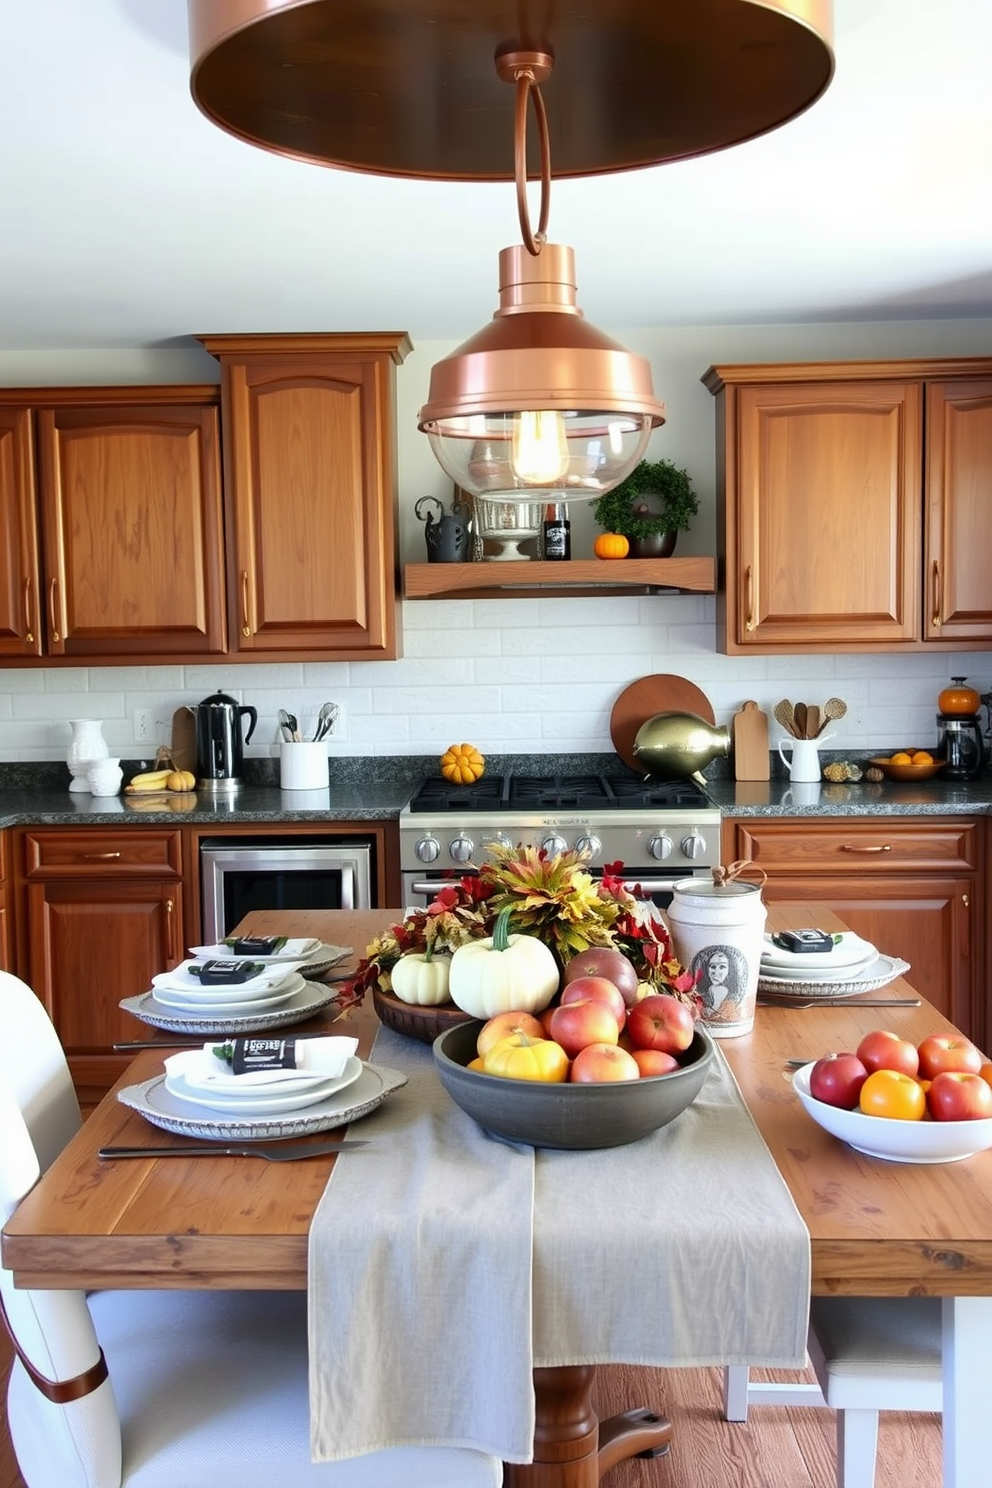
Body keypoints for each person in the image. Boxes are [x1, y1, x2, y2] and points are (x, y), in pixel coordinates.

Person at [692, 944, 747, 1022]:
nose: (716, 972)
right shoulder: (701, 995)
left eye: (722, 967)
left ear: (729, 970)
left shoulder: (733, 998)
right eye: (712, 967)